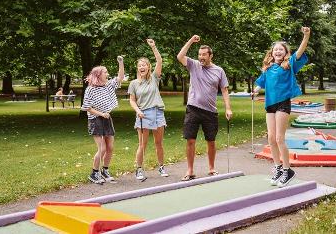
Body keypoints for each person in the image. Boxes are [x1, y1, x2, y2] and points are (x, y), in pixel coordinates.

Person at [252, 27, 311, 188]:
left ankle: (287, 170)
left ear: (285, 53)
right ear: (272, 53)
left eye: (281, 49)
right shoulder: (268, 68)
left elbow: (300, 51)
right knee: (271, 139)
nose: (277, 51)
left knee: (279, 138)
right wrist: (255, 91)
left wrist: (306, 36)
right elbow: (260, 84)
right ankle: (278, 168)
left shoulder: (289, 64)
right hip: (270, 105)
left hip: (283, 103)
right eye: (275, 49)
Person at [177, 35, 233, 181]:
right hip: (193, 108)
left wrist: (228, 108)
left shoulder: (219, 71)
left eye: (204, 55)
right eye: (199, 54)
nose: (201, 57)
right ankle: (189, 170)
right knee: (190, 140)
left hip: (210, 111)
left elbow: (225, 90)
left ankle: (211, 168)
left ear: (210, 55)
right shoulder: (193, 65)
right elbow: (180, 56)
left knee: (211, 141)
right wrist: (190, 41)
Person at [128, 39, 168, 180]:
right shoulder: (133, 83)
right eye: (139, 65)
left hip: (157, 112)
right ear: (137, 68)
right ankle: (139, 169)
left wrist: (153, 47)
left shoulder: (154, 78)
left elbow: (159, 61)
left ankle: (161, 167)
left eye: (144, 65)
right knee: (142, 144)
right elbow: (132, 100)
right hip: (143, 114)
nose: (142, 67)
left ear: (148, 67)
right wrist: (137, 111)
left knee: (159, 143)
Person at [81, 56, 124, 184]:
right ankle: (94, 173)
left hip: (106, 118)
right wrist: (101, 114)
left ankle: (105, 171)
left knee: (110, 147)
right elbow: (87, 107)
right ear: (98, 75)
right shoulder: (90, 89)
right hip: (96, 119)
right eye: (105, 72)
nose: (107, 74)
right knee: (102, 148)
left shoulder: (108, 85)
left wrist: (121, 63)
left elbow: (120, 77)